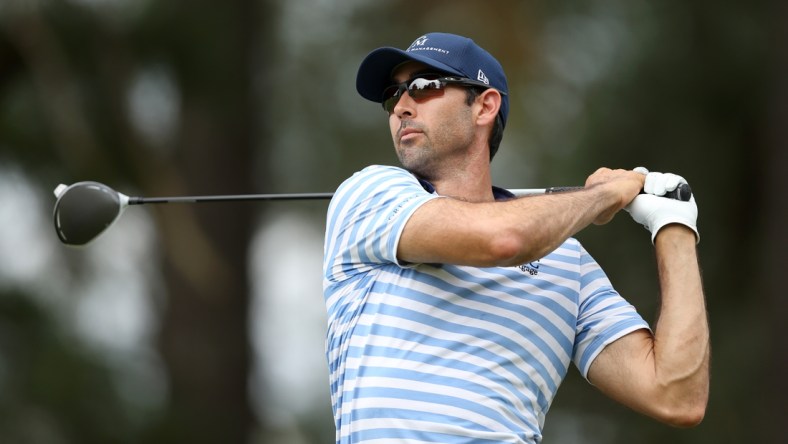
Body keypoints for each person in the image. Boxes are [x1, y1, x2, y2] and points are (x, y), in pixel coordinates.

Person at [323, 32, 709, 444]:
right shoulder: (369, 195)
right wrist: (605, 194)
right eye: (392, 95)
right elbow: (505, 240)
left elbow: (677, 397)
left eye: (423, 86)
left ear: (484, 106)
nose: (400, 106)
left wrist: (675, 225)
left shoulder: (567, 262)